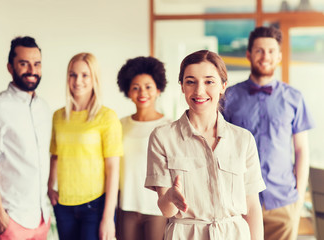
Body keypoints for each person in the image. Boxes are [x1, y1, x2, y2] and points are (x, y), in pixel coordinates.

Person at [145, 50, 265, 240]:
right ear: (182, 87)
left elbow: (252, 206)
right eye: (190, 82)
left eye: (209, 81)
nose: (199, 91)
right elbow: (166, 209)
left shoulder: (243, 139)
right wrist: (170, 197)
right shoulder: (162, 137)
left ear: (223, 86)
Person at [222, 26, 314, 240]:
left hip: (283, 202)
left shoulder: (294, 98)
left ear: (279, 56)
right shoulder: (229, 97)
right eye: (259, 50)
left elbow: (301, 150)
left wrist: (298, 198)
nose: (265, 57)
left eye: (271, 51)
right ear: (248, 54)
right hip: (238, 201)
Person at [0, 36, 51, 240]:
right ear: (10, 67)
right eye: (23, 63)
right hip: (11, 219)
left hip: (41, 218)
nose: (32, 70)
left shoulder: (44, 109)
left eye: (37, 64)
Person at [47, 52, 123, 240]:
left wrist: (108, 219)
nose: (77, 81)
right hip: (63, 206)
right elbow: (55, 155)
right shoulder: (58, 116)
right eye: (72, 74)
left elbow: (113, 169)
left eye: (84, 75)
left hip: (95, 206)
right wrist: (49, 186)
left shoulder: (107, 117)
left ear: (94, 78)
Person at [116, 56, 170, 240]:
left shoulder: (169, 126)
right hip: (126, 205)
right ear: (128, 91)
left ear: (158, 89)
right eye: (135, 87)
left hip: (157, 208)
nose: (142, 93)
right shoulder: (119, 125)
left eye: (148, 86)